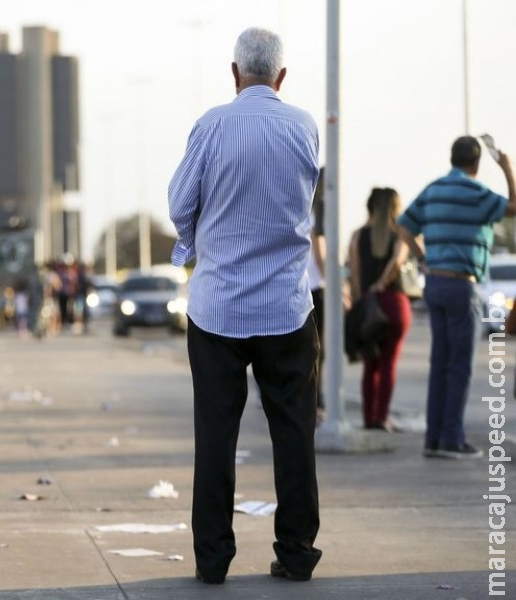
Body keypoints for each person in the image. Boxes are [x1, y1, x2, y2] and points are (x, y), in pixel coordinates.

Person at [168, 26, 322, 585]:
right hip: (286, 306)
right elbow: (301, 204)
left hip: (218, 310)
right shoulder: (304, 128)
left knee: (215, 435)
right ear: (281, 77)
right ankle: (297, 552)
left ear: (235, 73)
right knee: (294, 433)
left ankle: (212, 560)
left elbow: (181, 202)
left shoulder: (211, 125)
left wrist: (192, 244)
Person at [398, 135, 516, 459]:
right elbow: (514, 207)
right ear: (476, 162)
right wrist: (507, 168)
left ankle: (433, 439)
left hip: (434, 283)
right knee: (459, 366)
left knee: (439, 363)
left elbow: (404, 226)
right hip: (461, 286)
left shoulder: (434, 189)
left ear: (452, 158)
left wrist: (422, 257)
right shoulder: (477, 193)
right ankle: (452, 439)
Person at [347, 188, 412, 432]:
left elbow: (354, 274)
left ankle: (368, 418)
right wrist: (383, 283)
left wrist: (361, 297)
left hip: (368, 305)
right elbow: (397, 262)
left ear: (370, 207)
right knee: (388, 363)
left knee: (370, 364)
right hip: (394, 304)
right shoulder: (400, 236)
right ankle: (381, 418)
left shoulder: (357, 236)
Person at [308, 168, 327, 422]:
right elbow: (320, 251)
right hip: (316, 287)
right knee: (316, 349)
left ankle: (316, 397)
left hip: (302, 285)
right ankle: (316, 398)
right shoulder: (319, 212)